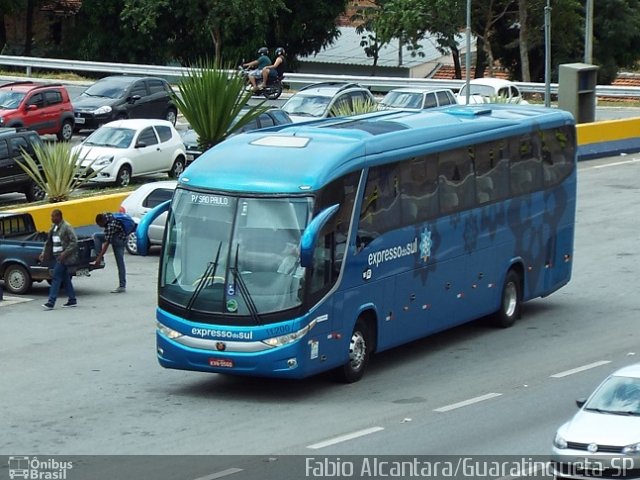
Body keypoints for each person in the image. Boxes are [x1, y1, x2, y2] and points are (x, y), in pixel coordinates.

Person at [40, 209, 79, 309]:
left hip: (63, 258)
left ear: (59, 217)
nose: (51, 218)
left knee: (56, 278)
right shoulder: (53, 227)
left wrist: (65, 253)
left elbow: (74, 241)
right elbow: (48, 242)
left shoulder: (66, 227)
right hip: (56, 256)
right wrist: (43, 253)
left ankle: (51, 302)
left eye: (53, 216)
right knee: (65, 279)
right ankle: (72, 299)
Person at [93, 212, 127, 293]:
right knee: (97, 236)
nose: (100, 226)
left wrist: (99, 258)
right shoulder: (107, 215)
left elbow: (106, 244)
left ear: (102, 222)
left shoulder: (110, 226)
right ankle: (100, 258)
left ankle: (122, 286)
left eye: (99, 225)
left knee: (120, 262)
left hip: (119, 241)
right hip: (120, 235)